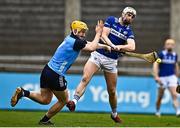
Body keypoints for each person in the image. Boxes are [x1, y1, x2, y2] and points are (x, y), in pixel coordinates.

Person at [10, 20, 111, 125]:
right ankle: (44, 120)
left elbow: (89, 44)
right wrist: (98, 33)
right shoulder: (76, 42)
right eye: (82, 31)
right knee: (64, 100)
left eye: (84, 32)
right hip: (56, 74)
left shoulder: (70, 39)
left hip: (47, 70)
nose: (84, 34)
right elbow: (91, 47)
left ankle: (23, 92)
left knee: (45, 99)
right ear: (75, 31)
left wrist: (104, 46)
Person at [66, 7, 136, 123]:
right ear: (123, 13)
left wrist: (120, 47)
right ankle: (74, 101)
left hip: (111, 61)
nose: (130, 17)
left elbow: (132, 46)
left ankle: (114, 114)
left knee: (112, 91)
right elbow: (103, 35)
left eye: (132, 16)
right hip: (98, 55)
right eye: (129, 14)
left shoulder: (128, 31)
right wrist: (113, 45)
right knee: (85, 78)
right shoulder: (111, 20)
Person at [153, 38, 180, 117]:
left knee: (174, 94)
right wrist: (156, 76)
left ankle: (178, 111)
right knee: (160, 97)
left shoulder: (175, 55)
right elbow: (156, 64)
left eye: (171, 44)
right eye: (168, 44)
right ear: (165, 45)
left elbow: (175, 65)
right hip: (162, 77)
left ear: (173, 45)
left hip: (171, 77)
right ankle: (157, 111)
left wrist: (177, 75)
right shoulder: (162, 54)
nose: (170, 45)